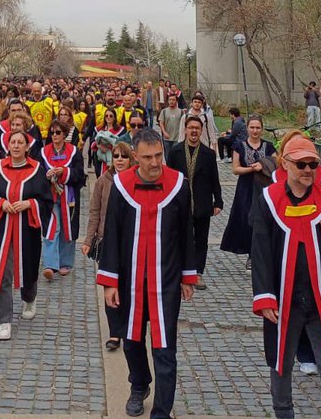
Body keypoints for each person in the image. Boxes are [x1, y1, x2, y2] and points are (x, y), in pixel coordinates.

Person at [250, 133, 321, 419]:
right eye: (301, 164)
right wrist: (265, 297)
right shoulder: (268, 199)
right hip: (284, 299)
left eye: (313, 164)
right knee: (281, 366)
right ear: (285, 164)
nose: (308, 169)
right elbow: (260, 250)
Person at [98, 129, 198, 419]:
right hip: (129, 279)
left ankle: (162, 411)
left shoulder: (179, 185)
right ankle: (139, 384)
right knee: (131, 340)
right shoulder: (121, 185)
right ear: (135, 156)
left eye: (158, 156)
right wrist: (109, 282)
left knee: (165, 346)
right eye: (147, 157)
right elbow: (112, 233)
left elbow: (186, 233)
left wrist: (188, 276)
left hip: (166, 278)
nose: (155, 163)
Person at [0, 129, 52, 341]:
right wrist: (0, 203)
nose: (15, 146)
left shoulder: (37, 170)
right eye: (12, 142)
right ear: (8, 145)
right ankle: (4, 320)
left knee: (28, 267)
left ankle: (29, 298)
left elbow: (47, 201)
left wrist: (30, 204)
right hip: (3, 229)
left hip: (27, 229)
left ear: (27, 146)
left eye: (20, 142)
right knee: (3, 271)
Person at [81, 140, 132, 352]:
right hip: (106, 241)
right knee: (109, 284)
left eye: (124, 156)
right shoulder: (104, 180)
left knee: (127, 286)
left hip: (129, 242)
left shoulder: (136, 180)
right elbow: (94, 211)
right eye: (116, 156)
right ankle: (114, 331)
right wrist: (88, 239)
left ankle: (128, 325)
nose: (119, 160)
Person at [167, 115, 223, 290]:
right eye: (191, 127)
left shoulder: (209, 154)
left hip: (202, 202)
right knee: (179, 238)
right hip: (180, 203)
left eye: (197, 128)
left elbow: (215, 179)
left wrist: (218, 201)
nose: (193, 131)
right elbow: (168, 178)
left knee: (200, 240)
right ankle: (179, 270)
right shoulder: (175, 152)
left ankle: (198, 272)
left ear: (201, 131)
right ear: (185, 129)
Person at [220, 116, 277, 265]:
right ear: (247, 128)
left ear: (262, 129)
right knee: (246, 219)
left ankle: (262, 252)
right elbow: (235, 169)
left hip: (264, 187)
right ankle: (251, 253)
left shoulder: (268, 146)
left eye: (258, 128)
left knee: (263, 219)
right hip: (245, 187)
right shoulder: (239, 146)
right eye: (252, 127)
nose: (255, 130)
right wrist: (252, 169)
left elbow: (276, 164)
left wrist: (263, 166)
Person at [40, 119, 85, 280]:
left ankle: (65, 262)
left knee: (67, 227)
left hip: (69, 196)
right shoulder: (44, 152)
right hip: (50, 197)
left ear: (64, 134)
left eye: (58, 132)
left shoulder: (74, 152)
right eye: (52, 132)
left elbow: (80, 175)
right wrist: (46, 175)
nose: (54, 135)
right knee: (53, 227)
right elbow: (38, 174)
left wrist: (65, 172)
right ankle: (50, 265)